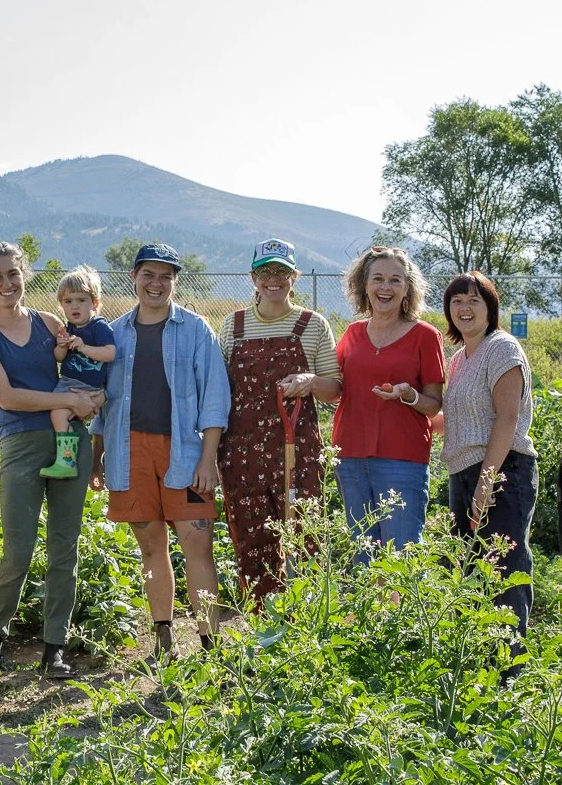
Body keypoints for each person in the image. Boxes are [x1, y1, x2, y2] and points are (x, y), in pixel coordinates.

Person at [0, 242, 101, 681]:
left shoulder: (48, 322)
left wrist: (88, 400)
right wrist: (69, 400)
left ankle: (54, 646)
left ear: (26, 276)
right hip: (20, 445)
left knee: (65, 546)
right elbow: (7, 396)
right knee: (17, 549)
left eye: (13, 274)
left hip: (70, 443)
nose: (7, 284)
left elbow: (84, 370)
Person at [98, 242, 230, 656]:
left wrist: (208, 459)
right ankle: (163, 637)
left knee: (197, 544)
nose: (157, 283)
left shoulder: (195, 330)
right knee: (152, 546)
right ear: (134, 277)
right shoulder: (113, 334)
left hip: (185, 455)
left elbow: (214, 399)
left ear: (175, 281)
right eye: (149, 274)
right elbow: (101, 401)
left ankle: (210, 643)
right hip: (129, 454)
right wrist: (96, 456)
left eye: (166, 276)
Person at [216, 239, 340, 601]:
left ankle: (310, 626)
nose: (274, 279)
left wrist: (311, 382)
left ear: (295, 276)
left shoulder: (312, 325)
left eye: (282, 272)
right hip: (241, 454)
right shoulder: (233, 326)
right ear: (252, 277)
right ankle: (265, 629)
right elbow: (219, 391)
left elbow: (335, 390)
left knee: (306, 536)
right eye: (266, 272)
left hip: (297, 449)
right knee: (252, 540)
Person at [440, 271, 539, 636]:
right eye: (456, 301)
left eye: (473, 300)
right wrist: (408, 400)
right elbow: (462, 417)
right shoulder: (460, 358)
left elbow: (507, 418)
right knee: (470, 571)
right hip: (463, 472)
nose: (464, 308)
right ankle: (480, 663)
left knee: (504, 571)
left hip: (502, 470)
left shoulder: (502, 348)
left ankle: (510, 670)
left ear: (489, 307)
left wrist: (487, 482)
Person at [332, 246, 446, 562]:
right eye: (378, 279)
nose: (386, 287)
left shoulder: (425, 335)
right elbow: (335, 387)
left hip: (402, 459)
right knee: (363, 551)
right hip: (351, 456)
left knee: (402, 554)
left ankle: (405, 613)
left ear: (408, 288)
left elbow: (434, 404)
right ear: (363, 286)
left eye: (395, 280)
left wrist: (408, 394)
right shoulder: (353, 333)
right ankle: (372, 614)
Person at [40, 266, 115, 478]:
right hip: (68, 382)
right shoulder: (69, 328)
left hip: (86, 386)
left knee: (57, 414)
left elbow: (110, 353)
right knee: (58, 415)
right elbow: (59, 357)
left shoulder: (98, 326)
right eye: (68, 301)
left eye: (81, 300)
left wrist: (83, 347)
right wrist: (62, 345)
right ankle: (67, 458)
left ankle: (66, 460)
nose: (75, 306)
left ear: (95, 303)